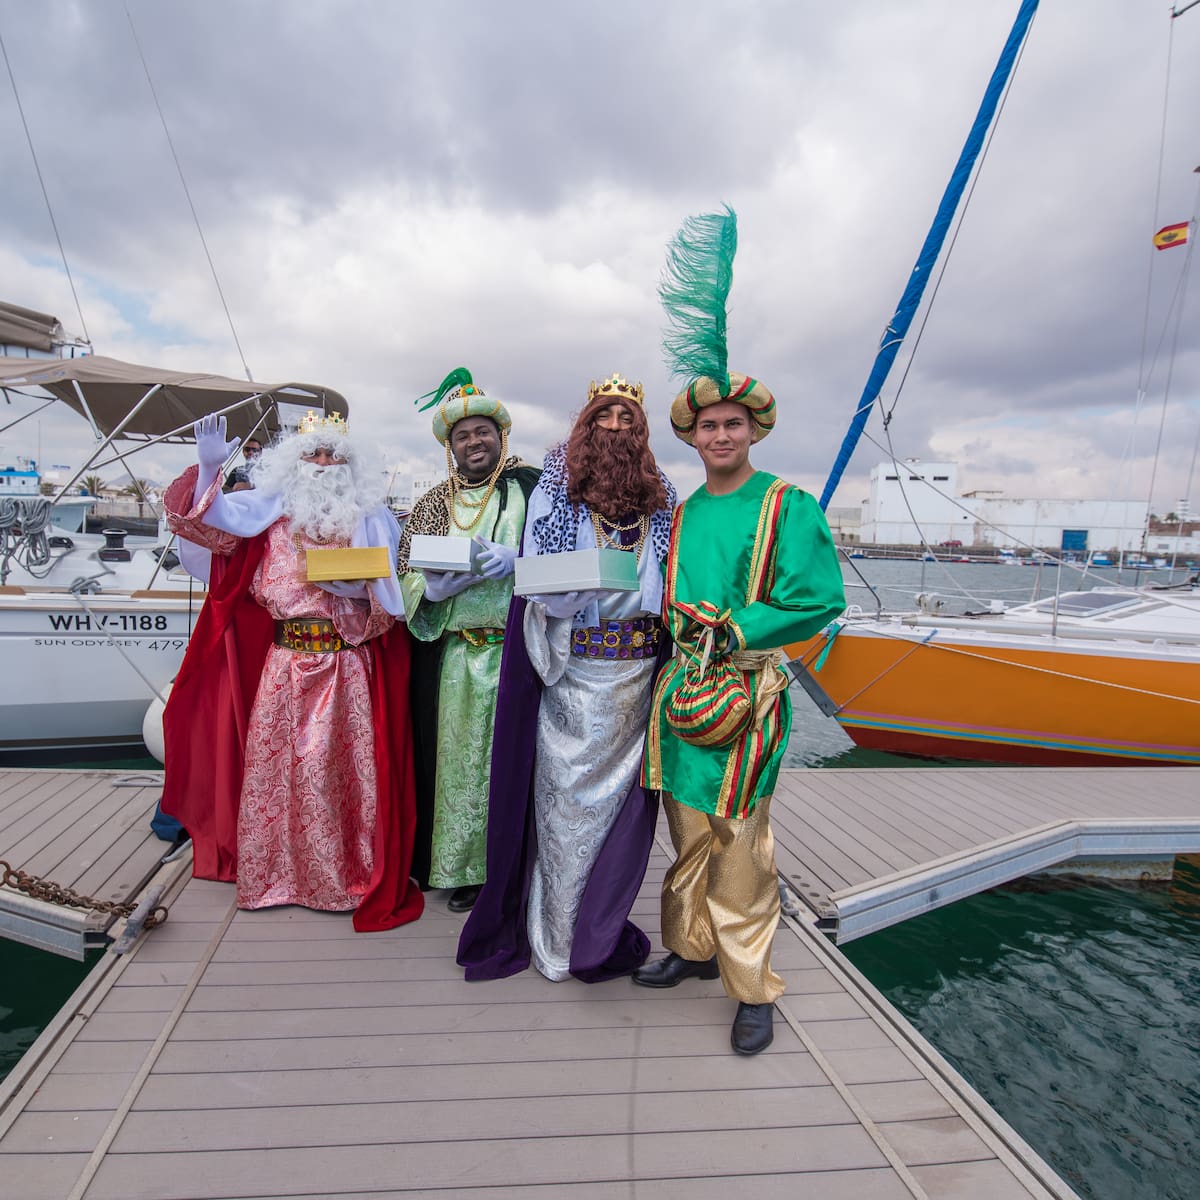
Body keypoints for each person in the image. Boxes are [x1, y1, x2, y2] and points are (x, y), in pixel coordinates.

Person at [634, 209, 846, 1054]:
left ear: (752, 430)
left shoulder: (789, 506)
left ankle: (752, 982)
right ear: (692, 437)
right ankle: (690, 947)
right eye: (707, 426)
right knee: (684, 829)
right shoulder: (680, 514)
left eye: (733, 424)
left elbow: (816, 598)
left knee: (742, 840)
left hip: (748, 694)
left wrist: (734, 626)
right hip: (681, 692)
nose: (721, 435)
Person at [159, 410, 423, 931]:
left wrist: (363, 594)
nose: (324, 464)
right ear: (293, 463)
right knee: (280, 775)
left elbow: (396, 601)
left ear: (351, 466)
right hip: (283, 668)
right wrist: (210, 469)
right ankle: (275, 878)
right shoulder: (267, 516)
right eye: (313, 454)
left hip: (346, 670)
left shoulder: (371, 518)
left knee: (338, 776)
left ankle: (343, 878)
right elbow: (210, 529)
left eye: (334, 455)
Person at [458, 373, 677, 982]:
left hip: (637, 682)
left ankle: (595, 930)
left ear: (641, 429)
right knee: (564, 812)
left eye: (626, 418)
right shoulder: (557, 483)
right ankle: (556, 937)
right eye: (604, 417)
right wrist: (555, 593)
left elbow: (675, 584)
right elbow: (537, 579)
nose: (615, 428)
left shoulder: (662, 493)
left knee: (618, 819)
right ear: (586, 424)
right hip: (574, 675)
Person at [397, 369, 540, 912]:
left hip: (519, 653)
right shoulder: (434, 501)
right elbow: (407, 571)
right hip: (456, 655)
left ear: (500, 436)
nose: (473, 441)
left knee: (514, 763)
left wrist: (518, 565)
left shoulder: (531, 488)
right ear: (450, 446)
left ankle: (513, 866)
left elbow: (559, 561)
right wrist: (429, 589)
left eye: (483, 431)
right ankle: (462, 868)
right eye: (463, 435)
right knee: (457, 767)